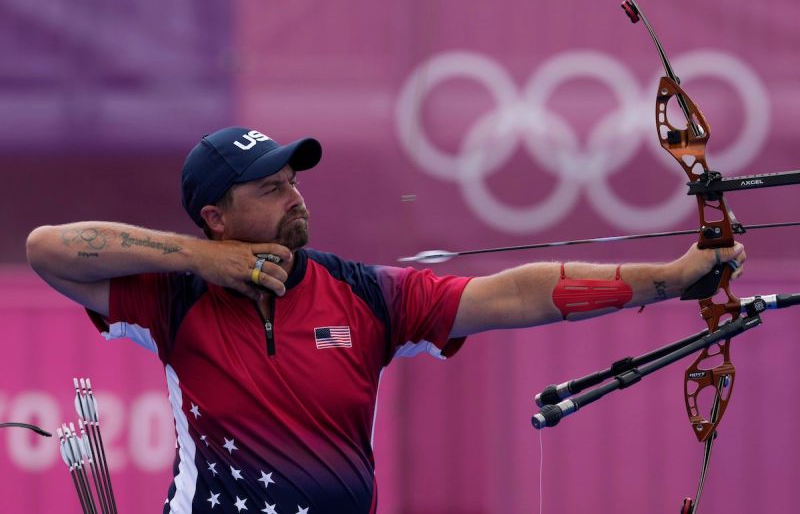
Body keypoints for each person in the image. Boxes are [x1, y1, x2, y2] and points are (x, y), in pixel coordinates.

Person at [26, 126, 746, 514]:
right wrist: (203, 261)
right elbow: (48, 248)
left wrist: (669, 278)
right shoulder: (174, 299)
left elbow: (513, 294)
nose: (294, 198)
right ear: (216, 217)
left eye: (293, 182)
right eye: (270, 189)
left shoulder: (363, 294)